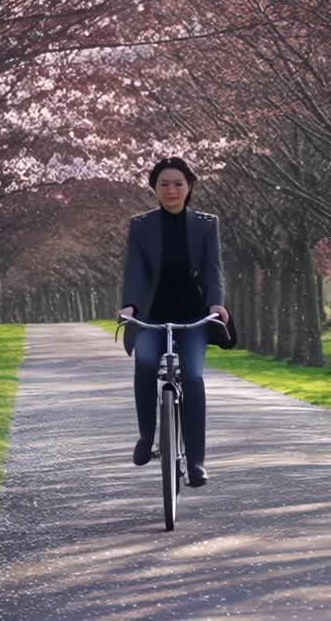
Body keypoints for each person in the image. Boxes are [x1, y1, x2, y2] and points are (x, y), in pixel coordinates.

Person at [118, 157, 228, 488]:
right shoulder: (141, 225)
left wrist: (217, 304)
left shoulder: (207, 224)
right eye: (164, 183)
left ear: (190, 186)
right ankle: (146, 437)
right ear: (154, 188)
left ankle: (196, 461)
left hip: (194, 314)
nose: (171, 190)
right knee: (147, 362)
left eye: (178, 183)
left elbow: (213, 268)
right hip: (152, 313)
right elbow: (134, 269)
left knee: (193, 377)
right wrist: (130, 306)